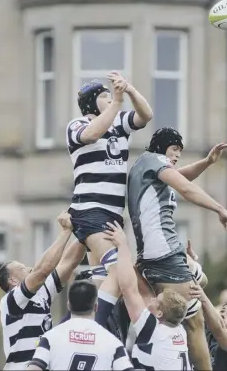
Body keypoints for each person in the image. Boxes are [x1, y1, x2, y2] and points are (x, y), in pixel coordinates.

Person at [126, 127, 227, 370]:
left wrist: (206, 162)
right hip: (166, 254)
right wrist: (220, 209)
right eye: (174, 149)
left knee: (194, 282)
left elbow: (182, 178)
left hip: (153, 255)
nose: (176, 156)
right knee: (194, 322)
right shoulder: (156, 161)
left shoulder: (145, 166)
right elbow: (186, 188)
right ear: (162, 147)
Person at [66, 72, 153, 327]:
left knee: (101, 278)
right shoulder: (77, 124)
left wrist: (130, 90)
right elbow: (92, 134)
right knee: (119, 270)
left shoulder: (118, 123)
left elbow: (145, 115)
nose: (111, 99)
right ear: (92, 103)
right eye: (104, 96)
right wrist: (116, 103)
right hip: (91, 210)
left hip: (112, 214)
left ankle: (83, 326)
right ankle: (95, 327)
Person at [0, 212, 86, 370]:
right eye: (22, 268)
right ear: (13, 280)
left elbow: (68, 262)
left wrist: (86, 232)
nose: (29, 268)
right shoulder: (11, 300)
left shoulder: (42, 293)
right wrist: (66, 231)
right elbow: (42, 271)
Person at [105, 221, 199, 370]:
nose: (153, 298)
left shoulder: (153, 329)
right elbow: (145, 293)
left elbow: (128, 289)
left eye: (157, 300)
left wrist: (123, 246)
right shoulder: (178, 330)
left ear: (160, 313)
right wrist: (134, 269)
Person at [26, 280, 134, 371]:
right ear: (96, 307)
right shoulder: (113, 343)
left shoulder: (50, 338)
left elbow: (34, 368)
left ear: (68, 305)